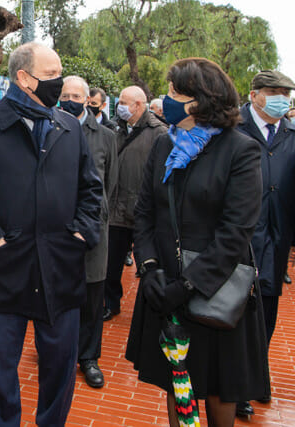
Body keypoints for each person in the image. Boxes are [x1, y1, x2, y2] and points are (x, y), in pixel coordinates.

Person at [0, 42, 103, 426]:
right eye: (52, 75)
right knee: (1, 375)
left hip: (61, 269)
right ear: (24, 78)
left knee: (61, 370)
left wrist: (83, 233)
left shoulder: (69, 128)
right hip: (6, 271)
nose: (60, 82)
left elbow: (91, 190)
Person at [126, 57, 270, 427]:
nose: (168, 98)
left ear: (200, 100)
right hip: (164, 287)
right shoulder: (163, 147)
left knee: (220, 389)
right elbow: (143, 213)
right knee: (179, 381)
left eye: (176, 92)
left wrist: (187, 286)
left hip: (214, 290)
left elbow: (236, 233)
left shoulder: (241, 150)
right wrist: (150, 268)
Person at [235, 69, 295, 417]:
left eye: (286, 94)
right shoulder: (233, 127)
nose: (282, 99)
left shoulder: (289, 133)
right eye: (274, 91)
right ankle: (238, 385)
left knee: (267, 313)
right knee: (237, 312)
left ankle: (257, 371)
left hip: (276, 241)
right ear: (255, 94)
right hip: (240, 240)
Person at [59, 75, 118, 389]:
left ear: (87, 99)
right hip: (57, 230)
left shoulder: (106, 136)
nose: (70, 98)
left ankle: (89, 357)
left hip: (94, 229)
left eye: (76, 94)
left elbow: (113, 184)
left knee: (93, 295)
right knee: (58, 291)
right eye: (65, 93)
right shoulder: (49, 128)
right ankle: (57, 351)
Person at [103, 85, 167, 321]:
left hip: (143, 214)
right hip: (115, 210)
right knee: (111, 265)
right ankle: (110, 303)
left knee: (147, 264)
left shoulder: (159, 132)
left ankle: (149, 309)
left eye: (123, 102)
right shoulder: (114, 129)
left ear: (138, 104)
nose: (119, 106)